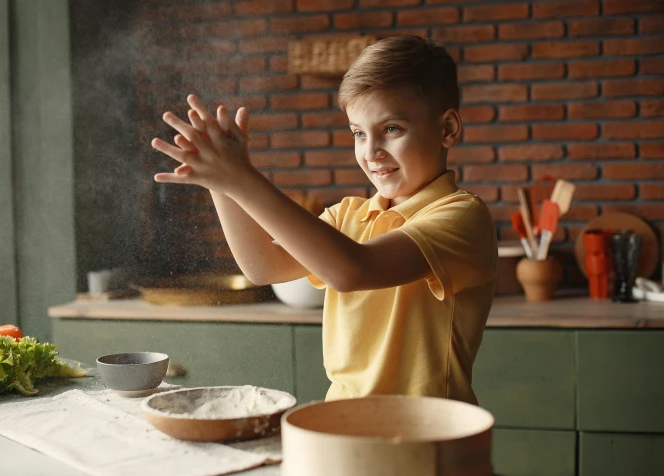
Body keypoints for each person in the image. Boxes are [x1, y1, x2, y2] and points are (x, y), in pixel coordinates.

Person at [151, 36, 497, 405]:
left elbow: (352, 271)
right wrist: (219, 182)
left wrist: (242, 178)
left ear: (447, 129)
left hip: (429, 436)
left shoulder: (462, 216)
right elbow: (262, 267)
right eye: (358, 133)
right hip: (345, 423)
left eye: (392, 129)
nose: (371, 151)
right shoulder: (348, 214)